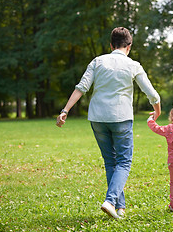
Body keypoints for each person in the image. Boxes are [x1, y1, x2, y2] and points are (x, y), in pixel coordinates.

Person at [56, 27, 161, 219]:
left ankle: (120, 209)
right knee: (124, 161)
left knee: (111, 162)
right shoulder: (133, 65)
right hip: (120, 117)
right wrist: (157, 111)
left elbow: (82, 87)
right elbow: (151, 93)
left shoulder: (97, 61)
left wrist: (65, 110)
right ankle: (110, 201)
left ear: (111, 45)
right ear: (129, 46)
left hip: (97, 118)